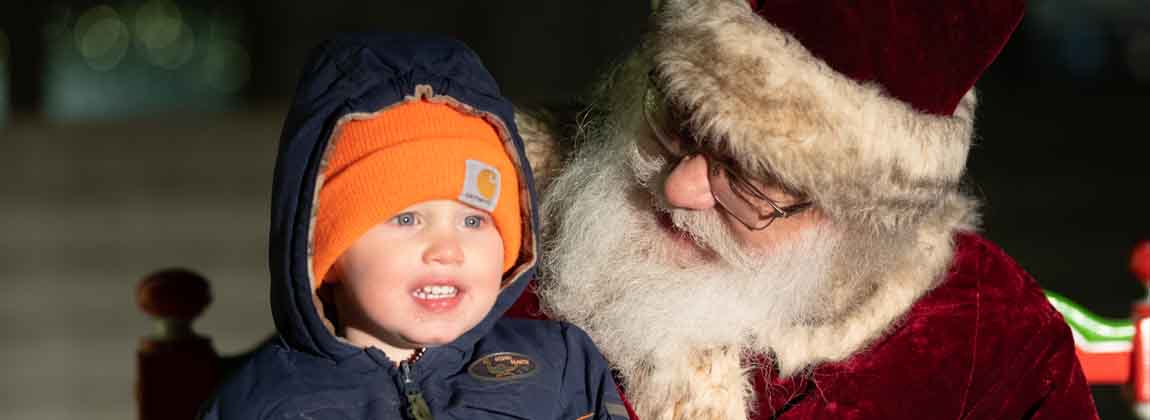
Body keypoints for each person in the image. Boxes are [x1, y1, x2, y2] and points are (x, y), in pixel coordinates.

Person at [512, 0, 1101, 418]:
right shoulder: (476, 212)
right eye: (674, 123)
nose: (679, 189)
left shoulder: (986, 336)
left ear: (862, 220)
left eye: (748, 183)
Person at [202, 32, 629, 420]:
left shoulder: (563, 367)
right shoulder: (264, 404)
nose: (447, 248)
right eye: (406, 219)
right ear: (328, 252)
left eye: (473, 219)